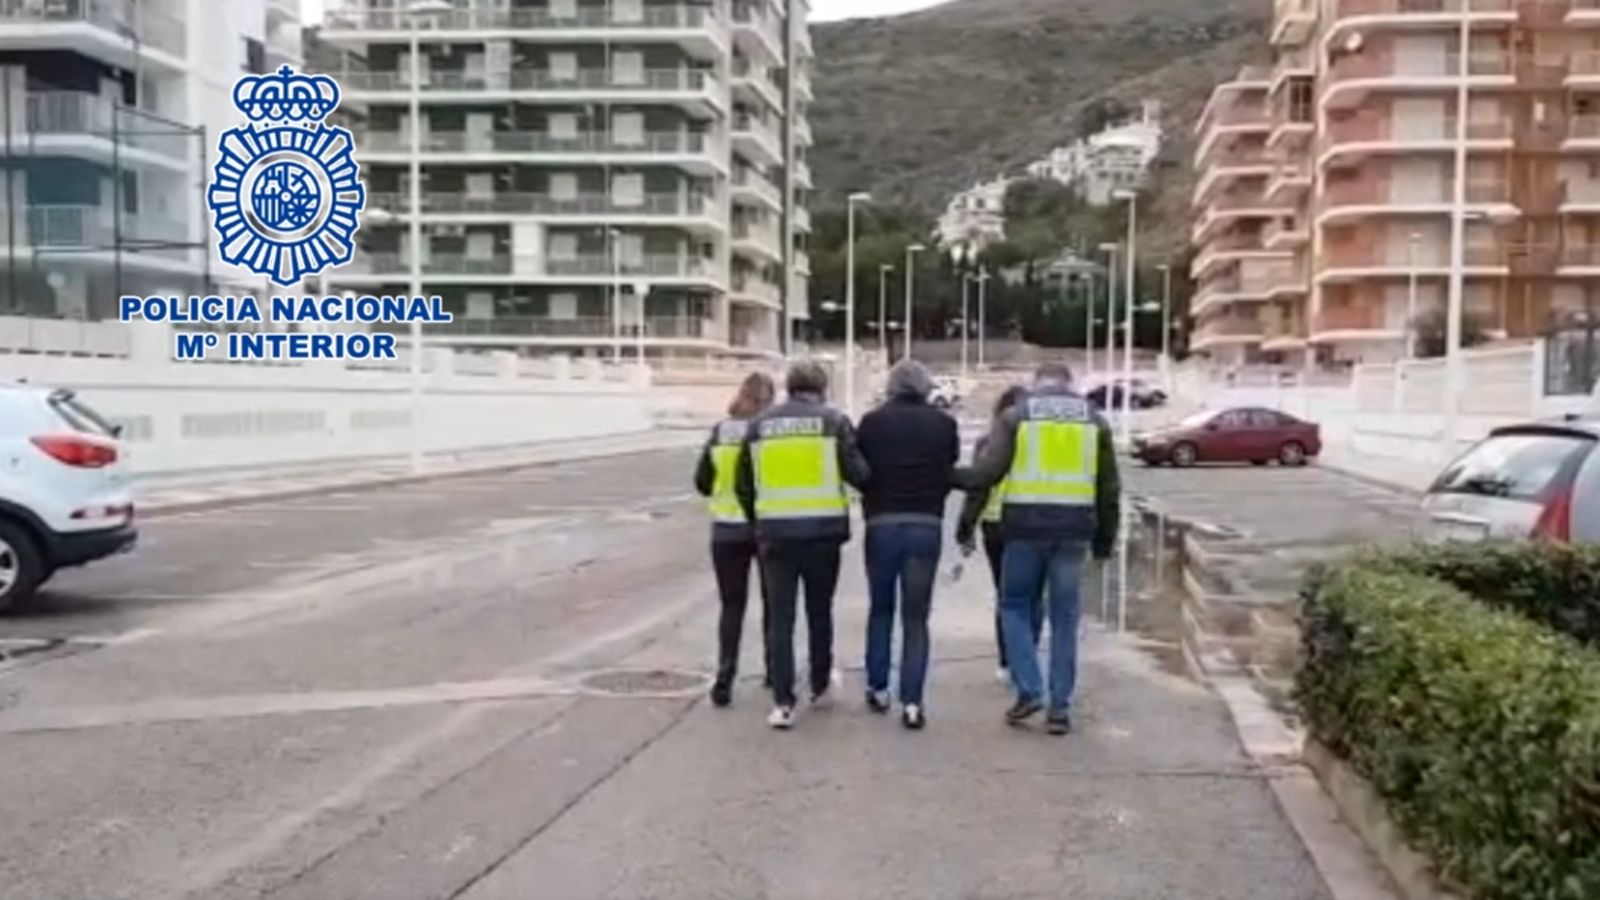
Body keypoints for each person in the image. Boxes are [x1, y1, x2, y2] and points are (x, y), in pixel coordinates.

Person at [956, 362, 1120, 736]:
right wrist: (1105, 540)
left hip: (1025, 528)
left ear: (1037, 384)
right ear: (1069, 383)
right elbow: (1109, 488)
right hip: (1074, 530)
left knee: (1014, 606)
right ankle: (1060, 709)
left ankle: (1029, 688)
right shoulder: (1094, 420)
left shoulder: (1018, 416)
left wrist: (939, 474)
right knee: (1064, 618)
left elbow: (986, 474)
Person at [735, 360, 870, 730]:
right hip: (822, 534)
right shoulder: (833, 422)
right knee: (819, 610)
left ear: (789, 388)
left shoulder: (760, 426)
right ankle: (820, 684)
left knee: (780, 618)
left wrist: (759, 519)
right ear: (821, 389)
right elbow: (860, 474)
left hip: (775, 533)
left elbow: (743, 485)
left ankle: (782, 701)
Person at [855, 359, 959, 730]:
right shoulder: (943, 424)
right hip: (925, 524)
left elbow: (860, 469)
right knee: (916, 618)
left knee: (881, 609)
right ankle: (912, 702)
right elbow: (950, 465)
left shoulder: (871, 423)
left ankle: (878, 686)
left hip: (881, 523)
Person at [693, 371, 776, 708]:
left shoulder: (721, 431)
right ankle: (774, 670)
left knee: (732, 606)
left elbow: (701, 481)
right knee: (774, 603)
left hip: (726, 529)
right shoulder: (767, 433)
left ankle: (725, 677)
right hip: (764, 527)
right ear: (768, 400)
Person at [955, 384, 1042, 684]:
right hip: (1031, 521)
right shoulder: (1039, 442)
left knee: (1006, 596)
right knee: (1032, 595)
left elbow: (978, 489)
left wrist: (965, 527)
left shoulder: (987, 442)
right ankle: (1028, 654)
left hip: (995, 525)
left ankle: (1007, 661)